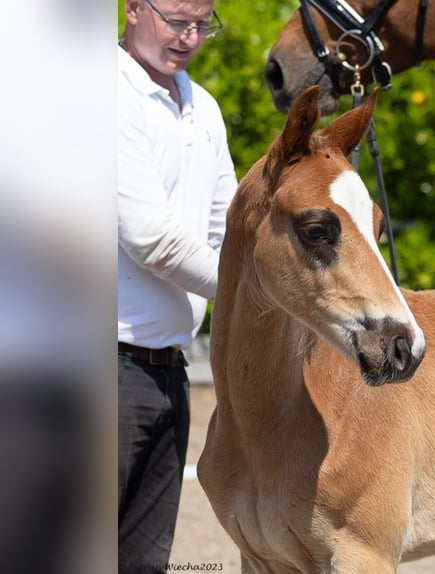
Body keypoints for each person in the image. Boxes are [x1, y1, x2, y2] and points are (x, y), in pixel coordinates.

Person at [117, 0, 237, 571]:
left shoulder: (203, 107)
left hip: (170, 370)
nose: (191, 36)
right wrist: (263, 292)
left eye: (203, 23)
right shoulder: (102, 96)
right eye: (177, 20)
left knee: (144, 562)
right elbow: (151, 239)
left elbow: (228, 228)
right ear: (133, 7)